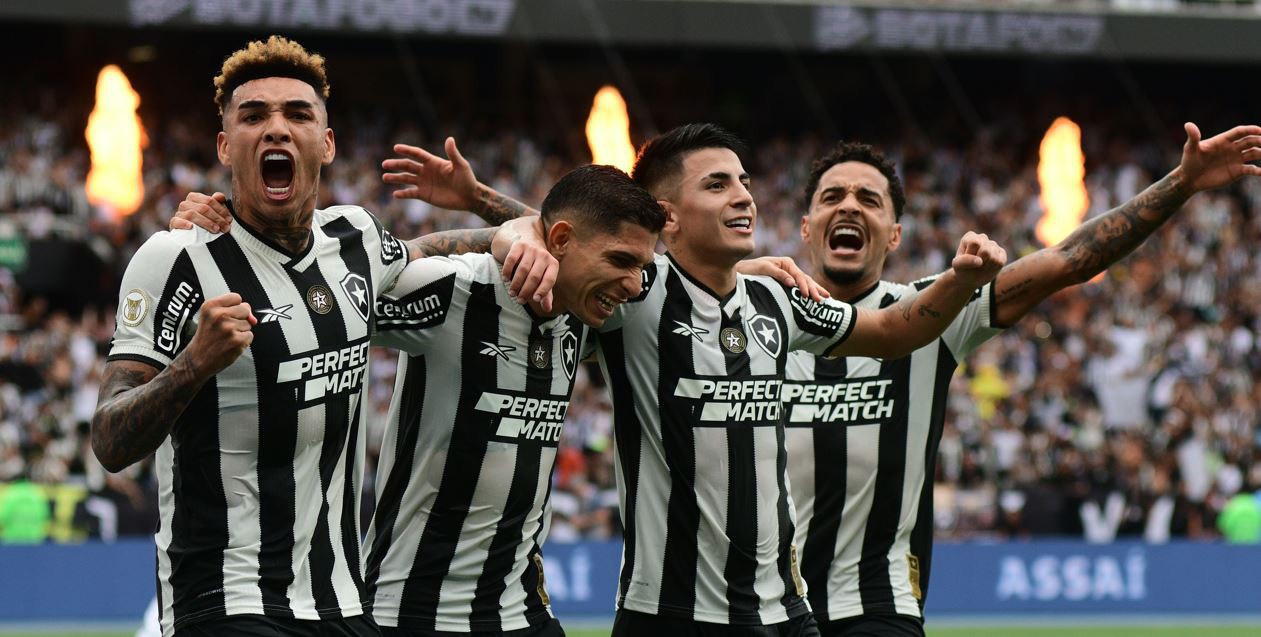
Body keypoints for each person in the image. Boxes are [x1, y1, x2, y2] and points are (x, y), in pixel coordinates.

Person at [370, 123, 1007, 636]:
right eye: (719, 184)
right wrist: (510, 227)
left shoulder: (776, 300)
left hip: (785, 611)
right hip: (671, 613)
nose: (745, 197)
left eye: (745, 181)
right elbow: (583, 241)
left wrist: (960, 280)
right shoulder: (636, 296)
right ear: (668, 218)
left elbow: (894, 333)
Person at [94, 36, 553, 637]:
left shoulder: (357, 241)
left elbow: (557, 241)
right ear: (226, 148)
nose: (276, 129)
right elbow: (109, 440)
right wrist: (193, 363)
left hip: (340, 602)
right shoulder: (174, 259)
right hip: (227, 600)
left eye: (298, 114)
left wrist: (480, 206)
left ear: (328, 144)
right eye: (254, 116)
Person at [780, 124, 1261, 637]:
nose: (850, 206)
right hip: (766, 607)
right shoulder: (756, 316)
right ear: (808, 227)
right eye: (833, 196)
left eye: (869, 199)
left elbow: (1071, 258)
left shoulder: (933, 307)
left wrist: (1181, 183)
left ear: (894, 234)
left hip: (875, 608)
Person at [363, 164, 664, 636]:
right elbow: (336, 291)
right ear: (559, 241)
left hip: (523, 612)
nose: (632, 285)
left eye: (642, 267)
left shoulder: (588, 311)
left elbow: (681, 288)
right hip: (412, 611)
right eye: (622, 261)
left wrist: (497, 210)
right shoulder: (453, 289)